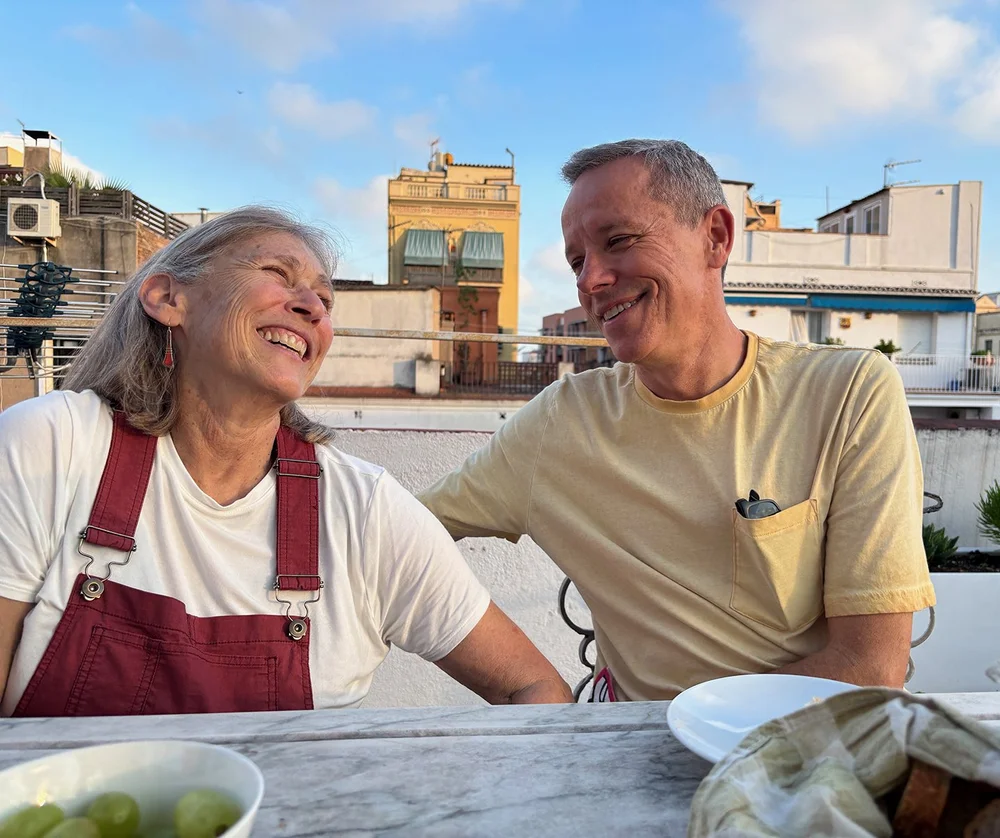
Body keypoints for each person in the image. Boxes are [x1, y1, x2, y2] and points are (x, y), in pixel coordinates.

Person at [0, 206, 572, 717]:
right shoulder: (54, 446)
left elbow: (535, 690)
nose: (311, 308)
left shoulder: (363, 510)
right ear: (168, 299)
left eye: (324, 300)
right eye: (277, 274)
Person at [419, 139, 936, 703]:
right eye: (576, 262)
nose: (590, 280)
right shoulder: (561, 422)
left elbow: (870, 666)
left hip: (799, 754)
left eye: (617, 241)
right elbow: (399, 533)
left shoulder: (848, 394)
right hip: (627, 754)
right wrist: (528, 684)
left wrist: (694, 728)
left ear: (715, 237)